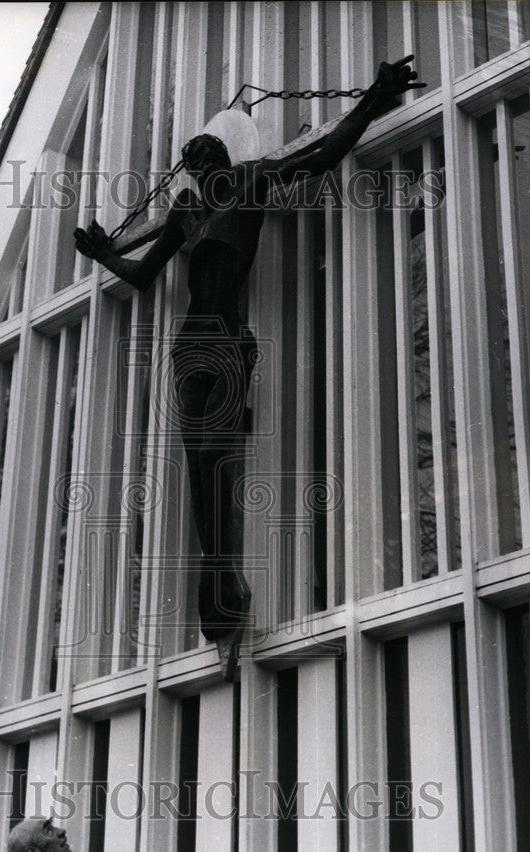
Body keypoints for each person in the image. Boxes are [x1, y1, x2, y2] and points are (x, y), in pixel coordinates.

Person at [75, 56, 425, 675]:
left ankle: (227, 591)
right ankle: (219, 599)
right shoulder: (186, 212)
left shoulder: (250, 182)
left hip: (230, 342)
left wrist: (375, 96)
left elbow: (320, 157)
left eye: (206, 157)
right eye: (192, 161)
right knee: (198, 468)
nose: (199, 168)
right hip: (191, 348)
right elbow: (142, 273)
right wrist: (104, 252)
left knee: (218, 466)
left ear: (223, 160)